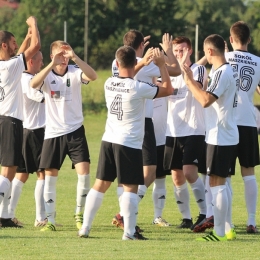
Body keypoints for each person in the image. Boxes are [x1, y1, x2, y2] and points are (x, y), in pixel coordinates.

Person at [78, 46, 173, 240]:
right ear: (134, 62)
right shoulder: (139, 87)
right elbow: (168, 89)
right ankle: (129, 232)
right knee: (130, 187)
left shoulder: (109, 83)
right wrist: (162, 66)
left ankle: (85, 228)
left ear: (117, 63)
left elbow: (127, 74)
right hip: (128, 142)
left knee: (100, 185)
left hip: (108, 140)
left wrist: (142, 63)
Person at [194, 21, 260, 234]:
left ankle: (227, 224)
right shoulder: (258, 62)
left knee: (224, 176)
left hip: (226, 121)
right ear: (249, 39)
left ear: (230, 40)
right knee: (249, 173)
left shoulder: (224, 60)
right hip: (249, 121)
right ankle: (251, 221)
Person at [111, 30, 181, 230]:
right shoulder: (147, 63)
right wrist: (166, 52)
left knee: (126, 174)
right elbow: (175, 70)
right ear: (142, 45)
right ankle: (124, 214)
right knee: (150, 172)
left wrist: (142, 52)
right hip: (142, 122)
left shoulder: (115, 63)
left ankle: (125, 213)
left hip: (121, 123)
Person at [30, 40, 97, 231]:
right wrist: (52, 64)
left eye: (66, 54)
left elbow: (92, 76)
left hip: (76, 131)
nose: (64, 58)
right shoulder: (47, 74)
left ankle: (79, 214)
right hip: (53, 133)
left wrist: (75, 57)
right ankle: (50, 220)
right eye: (60, 54)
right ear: (52, 56)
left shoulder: (75, 71)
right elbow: (34, 84)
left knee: (84, 174)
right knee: (50, 178)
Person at [182, 34, 239, 241]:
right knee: (222, 182)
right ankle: (228, 228)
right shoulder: (222, 71)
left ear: (209, 52)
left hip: (220, 135)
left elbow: (205, 100)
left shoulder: (223, 72)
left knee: (217, 183)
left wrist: (189, 81)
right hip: (225, 133)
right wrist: (191, 81)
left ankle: (220, 232)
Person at [0, 16, 41, 227]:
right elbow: (36, 47)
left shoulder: (6, 64)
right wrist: (33, 25)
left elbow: (19, 55)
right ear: (4, 45)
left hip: (1, 119)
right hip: (10, 121)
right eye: (14, 43)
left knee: (8, 170)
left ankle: (5, 217)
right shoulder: (11, 66)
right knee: (8, 172)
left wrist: (25, 37)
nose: (17, 46)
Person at [163, 36, 207, 230]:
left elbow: (198, 89)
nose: (179, 54)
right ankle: (186, 218)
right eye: (176, 51)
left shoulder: (198, 69)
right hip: (173, 130)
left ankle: (205, 214)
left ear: (190, 51)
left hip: (194, 129)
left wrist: (184, 71)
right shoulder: (170, 72)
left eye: (182, 50)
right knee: (176, 176)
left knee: (190, 172)